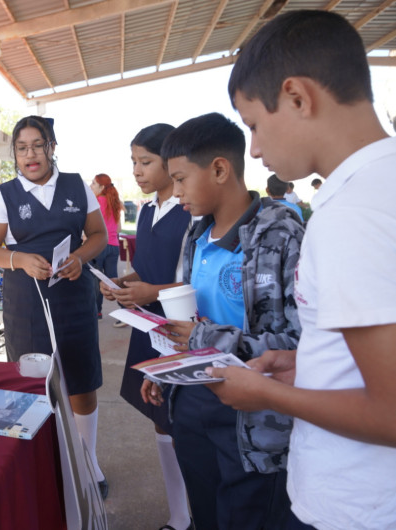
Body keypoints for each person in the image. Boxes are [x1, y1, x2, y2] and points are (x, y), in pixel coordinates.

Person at [208, 10, 396, 530]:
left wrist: (267, 393)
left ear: (297, 97)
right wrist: (308, 364)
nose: (256, 148)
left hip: (359, 508)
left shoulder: (351, 216)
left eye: (253, 125)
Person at [143, 112, 304, 529]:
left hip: (253, 416)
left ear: (219, 169)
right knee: (207, 509)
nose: (175, 191)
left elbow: (298, 341)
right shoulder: (196, 234)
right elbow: (189, 316)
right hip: (194, 401)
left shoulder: (280, 232)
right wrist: (165, 368)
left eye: (180, 178)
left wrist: (202, 337)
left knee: (248, 513)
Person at [0, 115, 109, 498]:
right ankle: (43, 464)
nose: (30, 154)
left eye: (38, 145)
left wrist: (81, 258)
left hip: (73, 295)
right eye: (22, 148)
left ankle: (88, 464)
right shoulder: (5, 195)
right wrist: (18, 260)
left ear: (52, 147)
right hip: (27, 302)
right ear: (14, 154)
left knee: (82, 383)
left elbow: (98, 234)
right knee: (34, 385)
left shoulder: (75, 185)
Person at [100, 123, 192, 530]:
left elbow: (194, 279)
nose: (136, 170)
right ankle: (179, 516)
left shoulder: (190, 212)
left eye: (145, 161)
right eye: (133, 162)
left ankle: (193, 512)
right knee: (159, 418)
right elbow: (150, 268)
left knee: (185, 420)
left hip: (179, 330)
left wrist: (150, 290)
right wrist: (126, 282)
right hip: (147, 326)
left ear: (170, 161)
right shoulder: (151, 210)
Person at [89, 173, 123, 319]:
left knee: (95, 280)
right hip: (114, 246)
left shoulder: (97, 201)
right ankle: (127, 307)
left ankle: (97, 311)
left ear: (102, 187)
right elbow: (119, 228)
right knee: (112, 280)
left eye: (93, 184)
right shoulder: (114, 202)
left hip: (99, 245)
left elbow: (91, 226)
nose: (90, 186)